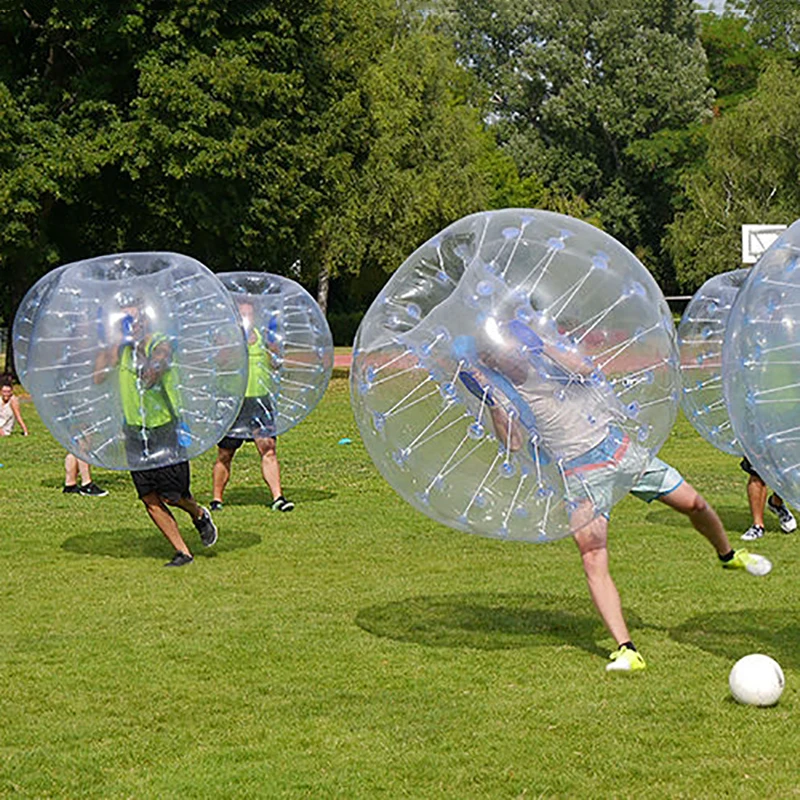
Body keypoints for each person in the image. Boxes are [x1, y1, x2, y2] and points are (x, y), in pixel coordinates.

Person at [471, 315, 771, 673]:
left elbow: (586, 370)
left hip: (621, 451)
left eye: (513, 346)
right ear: (492, 362)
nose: (512, 355)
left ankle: (728, 554)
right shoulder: (504, 392)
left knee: (695, 504)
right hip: (582, 476)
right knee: (593, 557)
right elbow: (514, 443)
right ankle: (627, 649)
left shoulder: (547, 363)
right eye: (502, 353)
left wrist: (541, 343)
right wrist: (490, 402)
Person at [94, 294, 217, 567]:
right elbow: (98, 377)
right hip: (134, 431)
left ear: (145, 318)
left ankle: (198, 514)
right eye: (124, 319)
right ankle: (183, 552)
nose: (130, 324)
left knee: (174, 496)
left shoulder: (161, 342)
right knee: (149, 497)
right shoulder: (120, 349)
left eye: (133, 318)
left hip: (164, 428)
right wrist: (111, 349)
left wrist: (138, 347)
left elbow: (152, 374)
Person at [211, 300, 294, 513]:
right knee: (225, 453)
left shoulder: (263, 336)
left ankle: (278, 497)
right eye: (241, 315)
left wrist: (274, 348)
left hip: (260, 399)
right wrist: (238, 345)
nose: (245, 319)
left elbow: (276, 364)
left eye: (248, 315)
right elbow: (219, 362)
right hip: (235, 400)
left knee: (268, 448)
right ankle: (217, 499)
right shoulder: (226, 337)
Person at [739, 457, 796, 540]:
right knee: (757, 474)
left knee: (790, 472)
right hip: (759, 445)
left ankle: (776, 503)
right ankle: (757, 525)